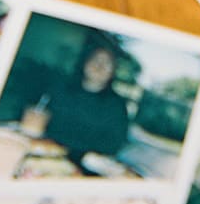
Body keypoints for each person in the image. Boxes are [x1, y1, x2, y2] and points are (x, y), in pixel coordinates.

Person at [12, 34, 133, 172]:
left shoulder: (116, 106)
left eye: (107, 63)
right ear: (85, 63)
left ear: (113, 72)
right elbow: (38, 119)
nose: (100, 66)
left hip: (85, 169)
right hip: (45, 157)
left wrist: (74, 150)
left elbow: (114, 145)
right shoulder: (61, 90)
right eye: (95, 59)